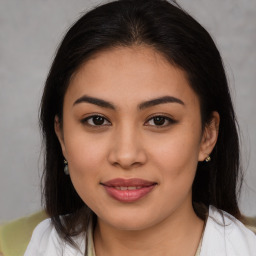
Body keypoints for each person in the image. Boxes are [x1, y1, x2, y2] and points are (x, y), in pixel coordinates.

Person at [24, 0, 256, 255]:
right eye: (97, 120)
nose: (126, 156)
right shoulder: (18, 245)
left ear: (207, 136)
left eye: (159, 120)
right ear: (62, 136)